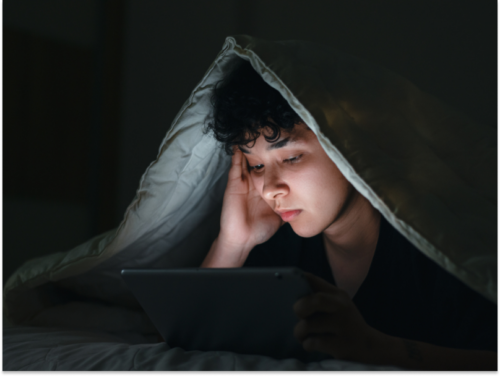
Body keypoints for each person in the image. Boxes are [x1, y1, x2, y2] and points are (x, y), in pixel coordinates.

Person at [201, 60, 497, 371]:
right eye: (256, 166)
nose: (270, 189)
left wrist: (374, 348)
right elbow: (194, 345)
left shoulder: (437, 246)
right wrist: (233, 243)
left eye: (291, 157)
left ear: (346, 145)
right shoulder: (278, 247)